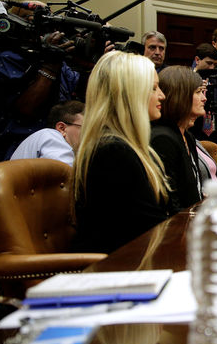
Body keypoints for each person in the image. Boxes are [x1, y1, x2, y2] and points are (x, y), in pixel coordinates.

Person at [73, 51, 171, 254]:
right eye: (153, 88)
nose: (161, 95)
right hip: (120, 271)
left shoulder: (120, 146)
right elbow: (149, 229)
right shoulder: (113, 151)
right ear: (131, 95)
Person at [0, 0, 81, 162]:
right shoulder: (7, 58)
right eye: (32, 19)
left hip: (62, 149)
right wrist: (49, 66)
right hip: (18, 151)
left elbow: (77, 98)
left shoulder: (58, 57)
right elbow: (26, 110)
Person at [150, 66, 205, 209]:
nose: (204, 98)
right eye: (198, 92)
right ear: (180, 96)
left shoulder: (187, 136)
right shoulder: (162, 139)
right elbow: (170, 203)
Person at [10, 100, 84, 165]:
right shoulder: (51, 136)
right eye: (85, 128)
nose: (90, 135)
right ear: (62, 128)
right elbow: (68, 176)